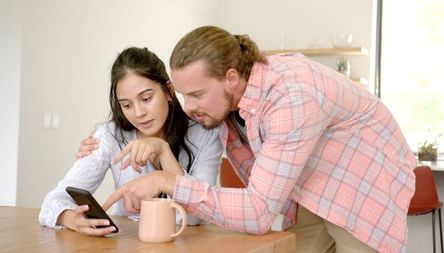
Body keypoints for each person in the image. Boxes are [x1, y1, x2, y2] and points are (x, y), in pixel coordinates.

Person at [79, 26, 416, 253]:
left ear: (231, 77)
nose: (189, 106)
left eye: (197, 94)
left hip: (362, 183)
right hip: (312, 188)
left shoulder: (291, 95)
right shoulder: (223, 101)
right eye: (183, 95)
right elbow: (180, 122)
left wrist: (167, 180)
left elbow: (257, 213)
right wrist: (109, 140)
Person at [39, 47, 223, 236]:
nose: (138, 113)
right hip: (126, 242)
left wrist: (164, 152)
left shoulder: (205, 134)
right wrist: (72, 219)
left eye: (146, 98)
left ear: (168, 91)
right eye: (126, 105)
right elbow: (53, 201)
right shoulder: (109, 136)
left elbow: (195, 216)